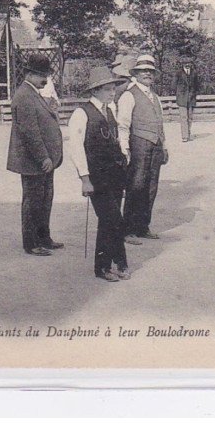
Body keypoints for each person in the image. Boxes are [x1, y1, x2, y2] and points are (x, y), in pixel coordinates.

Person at [68, 67, 130, 282]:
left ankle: (113, 264)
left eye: (113, 88)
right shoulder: (81, 113)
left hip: (115, 175)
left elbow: (116, 137)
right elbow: (76, 147)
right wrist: (85, 179)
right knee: (111, 219)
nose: (112, 93)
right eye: (107, 89)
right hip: (96, 177)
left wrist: (123, 154)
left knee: (111, 221)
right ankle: (112, 264)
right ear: (95, 91)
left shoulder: (110, 111)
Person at [6, 53, 64, 257]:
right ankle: (31, 243)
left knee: (45, 199)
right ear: (29, 74)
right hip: (34, 161)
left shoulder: (34, 93)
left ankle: (44, 238)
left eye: (46, 74)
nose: (45, 79)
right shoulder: (24, 96)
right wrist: (43, 157)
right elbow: (30, 132)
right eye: (41, 75)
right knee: (33, 202)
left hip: (43, 160)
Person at [116, 53, 168, 244]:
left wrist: (164, 146)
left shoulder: (155, 97)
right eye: (143, 71)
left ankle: (143, 226)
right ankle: (128, 230)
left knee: (151, 187)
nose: (147, 74)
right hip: (138, 145)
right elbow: (123, 124)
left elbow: (160, 124)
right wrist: (124, 149)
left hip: (155, 146)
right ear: (136, 74)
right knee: (135, 186)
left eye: (150, 71)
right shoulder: (129, 95)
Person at [173, 55, 201, 142]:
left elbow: (197, 85)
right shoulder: (178, 73)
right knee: (183, 117)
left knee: (190, 117)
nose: (187, 64)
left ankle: (188, 134)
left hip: (191, 98)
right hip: (182, 99)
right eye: (185, 63)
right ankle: (184, 136)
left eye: (189, 63)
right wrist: (179, 93)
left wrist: (194, 93)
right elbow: (173, 85)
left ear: (191, 64)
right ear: (182, 64)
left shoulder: (194, 73)